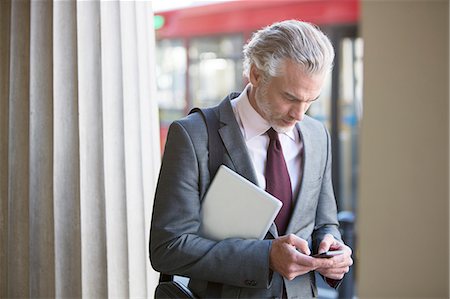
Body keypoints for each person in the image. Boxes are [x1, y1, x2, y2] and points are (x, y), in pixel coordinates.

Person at [150, 20, 353, 298]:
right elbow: (168, 248)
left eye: (311, 100)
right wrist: (266, 257)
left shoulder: (317, 135)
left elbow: (324, 223)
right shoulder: (192, 135)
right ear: (257, 75)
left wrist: (332, 247)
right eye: (290, 97)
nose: (299, 114)